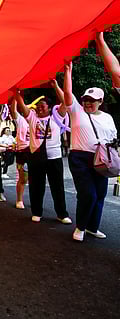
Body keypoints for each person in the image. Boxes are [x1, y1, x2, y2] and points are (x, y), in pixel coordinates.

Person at [62, 32, 118, 241]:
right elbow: (68, 94)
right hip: (80, 158)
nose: (87, 102)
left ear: (100, 101)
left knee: (101, 195)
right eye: (86, 99)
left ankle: (93, 227)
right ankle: (80, 227)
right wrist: (68, 71)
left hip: (101, 159)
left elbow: (113, 139)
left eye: (92, 100)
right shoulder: (76, 111)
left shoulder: (108, 118)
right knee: (88, 194)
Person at [14, 88, 71, 224]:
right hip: (36, 158)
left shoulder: (57, 117)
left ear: (50, 108)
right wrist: (16, 92)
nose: (39, 109)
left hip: (54, 158)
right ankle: (36, 212)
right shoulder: (32, 117)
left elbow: (66, 101)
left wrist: (55, 85)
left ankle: (62, 214)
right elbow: (22, 106)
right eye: (38, 107)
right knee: (36, 186)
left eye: (42, 107)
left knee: (57, 186)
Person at [9, 99, 29, 209]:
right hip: (23, 152)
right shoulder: (21, 121)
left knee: (36, 179)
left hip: (36, 153)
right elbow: (13, 110)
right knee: (23, 178)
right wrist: (16, 96)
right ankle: (19, 200)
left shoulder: (39, 120)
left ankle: (35, 200)